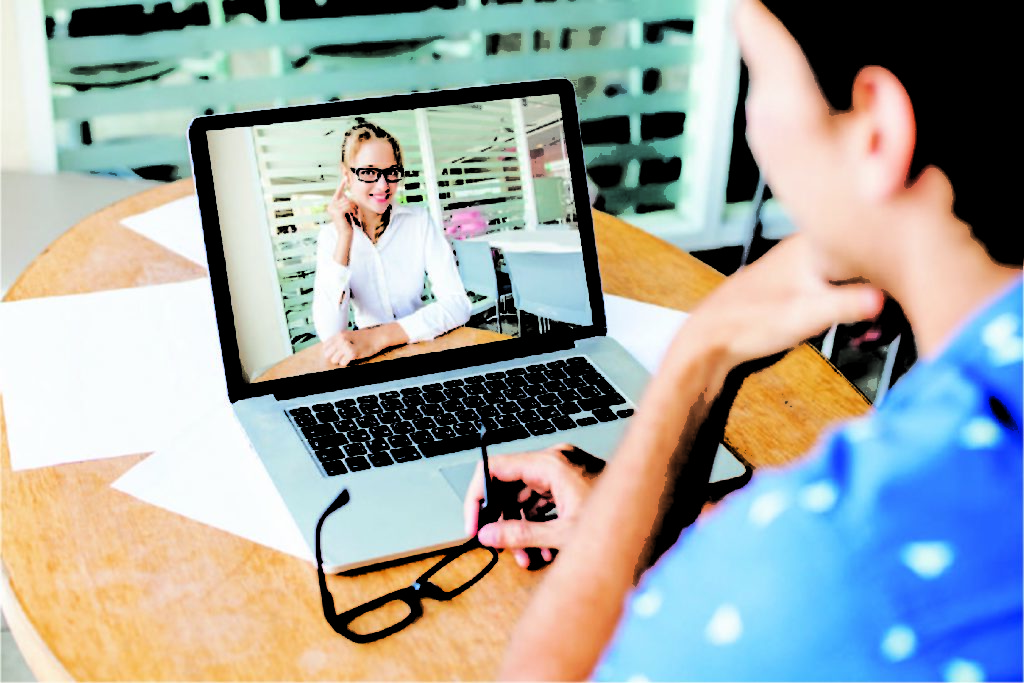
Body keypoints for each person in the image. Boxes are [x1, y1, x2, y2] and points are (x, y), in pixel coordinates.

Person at [462, 0, 1023, 679]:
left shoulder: (834, 559)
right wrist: (639, 517)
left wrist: (699, 358)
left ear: (877, 132)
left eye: (757, 73)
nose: (753, 128)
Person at [312, 121, 471, 367]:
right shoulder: (332, 236)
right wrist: (345, 237)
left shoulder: (418, 222)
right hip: (368, 360)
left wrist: (381, 337)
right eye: (368, 172)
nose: (383, 185)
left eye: (391, 171)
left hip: (422, 345)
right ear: (346, 176)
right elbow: (330, 333)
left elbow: (458, 304)